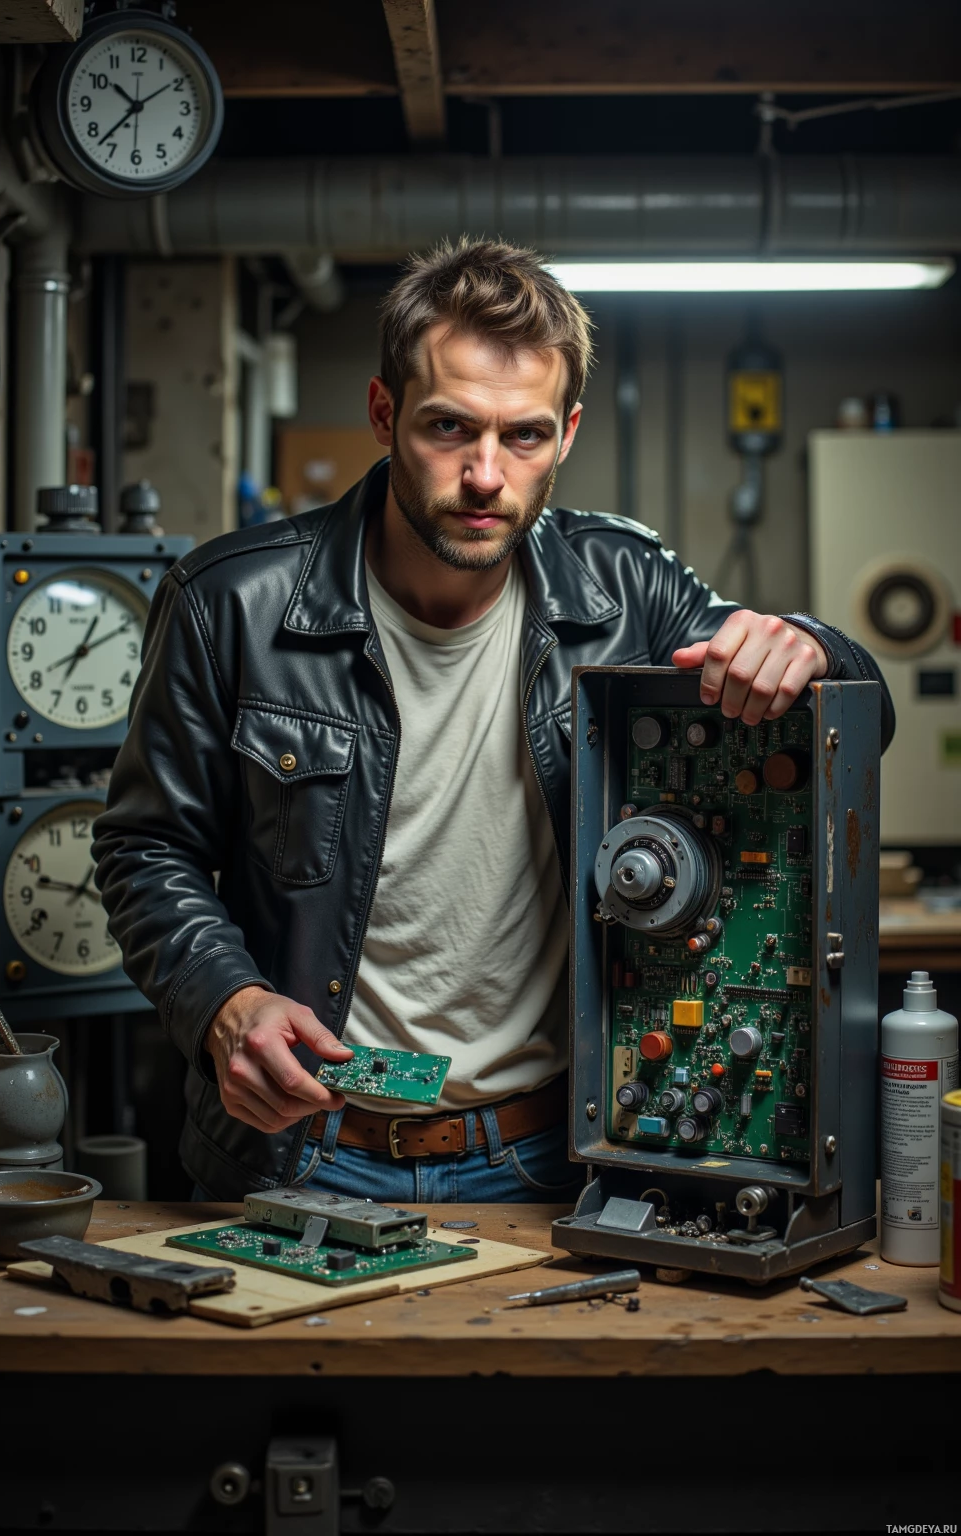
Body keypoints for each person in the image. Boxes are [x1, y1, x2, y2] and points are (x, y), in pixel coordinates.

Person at [92, 238, 894, 1203]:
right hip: (304, 1143)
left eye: (523, 435)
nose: (485, 475)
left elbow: (857, 715)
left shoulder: (625, 586)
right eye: (448, 428)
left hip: (556, 1153)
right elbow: (145, 850)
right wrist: (228, 1000)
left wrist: (810, 645)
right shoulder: (233, 603)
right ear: (385, 414)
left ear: (567, 433)